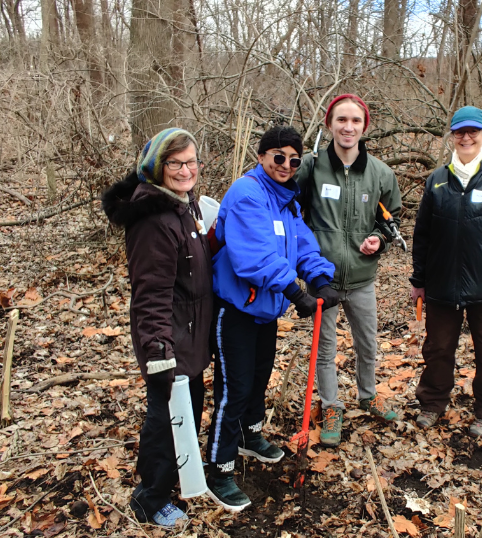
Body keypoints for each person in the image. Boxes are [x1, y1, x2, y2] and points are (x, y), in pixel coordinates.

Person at [206, 125, 336, 511]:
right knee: (235, 389)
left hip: (264, 312)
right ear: (262, 156)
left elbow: (301, 243)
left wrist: (319, 277)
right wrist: (296, 293)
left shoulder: (287, 199)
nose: (286, 165)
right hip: (236, 312)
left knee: (259, 378)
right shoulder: (247, 193)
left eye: (294, 160)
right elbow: (255, 257)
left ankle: (250, 436)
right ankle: (219, 467)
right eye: (278, 157)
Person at [101, 128, 213, 526]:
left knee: (187, 411)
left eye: (191, 162)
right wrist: (159, 353)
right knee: (165, 417)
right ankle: (149, 497)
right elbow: (150, 296)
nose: (186, 170)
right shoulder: (153, 220)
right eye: (175, 163)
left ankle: (176, 478)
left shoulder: (184, 205)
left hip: (191, 334)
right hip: (169, 340)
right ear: (156, 167)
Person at [409, 106, 482, 437]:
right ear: (452, 137)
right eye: (460, 132)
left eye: (473, 131)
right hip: (442, 287)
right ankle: (432, 403)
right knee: (438, 349)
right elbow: (423, 235)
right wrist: (419, 281)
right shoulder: (436, 181)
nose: (466, 137)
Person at [296, 94, 402, 448]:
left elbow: (391, 220)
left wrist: (378, 239)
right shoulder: (310, 167)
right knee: (324, 349)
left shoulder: (380, 173)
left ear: (364, 127)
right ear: (329, 124)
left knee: (367, 344)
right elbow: (291, 213)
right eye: (341, 120)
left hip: (361, 278)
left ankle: (367, 395)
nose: (348, 127)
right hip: (321, 279)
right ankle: (331, 406)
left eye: (355, 121)